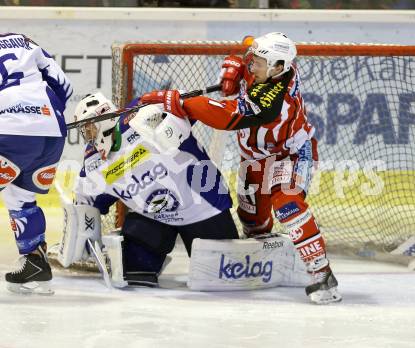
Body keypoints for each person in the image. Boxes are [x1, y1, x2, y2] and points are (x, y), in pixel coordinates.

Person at [139, 32, 341, 304]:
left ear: (278, 67)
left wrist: (182, 102)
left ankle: (321, 273)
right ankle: (266, 258)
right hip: (254, 158)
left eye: (257, 63)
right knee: (252, 219)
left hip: (289, 155)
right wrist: (234, 66)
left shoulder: (274, 97)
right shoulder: (269, 71)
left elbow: (228, 116)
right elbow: (247, 46)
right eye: (253, 61)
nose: (252, 66)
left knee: (287, 204)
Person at [57, 92, 239, 287]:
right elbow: (86, 205)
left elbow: (194, 109)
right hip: (155, 217)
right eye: (85, 131)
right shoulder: (94, 163)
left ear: (104, 119)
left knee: (224, 276)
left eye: (90, 128)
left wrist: (173, 103)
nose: (89, 137)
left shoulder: (144, 113)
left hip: (202, 207)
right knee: (132, 270)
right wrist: (80, 242)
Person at [0, 33, 73, 294]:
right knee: (19, 195)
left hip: (8, 128)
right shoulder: (23, 40)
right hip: (51, 131)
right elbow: (65, 85)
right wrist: (42, 119)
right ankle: (35, 260)